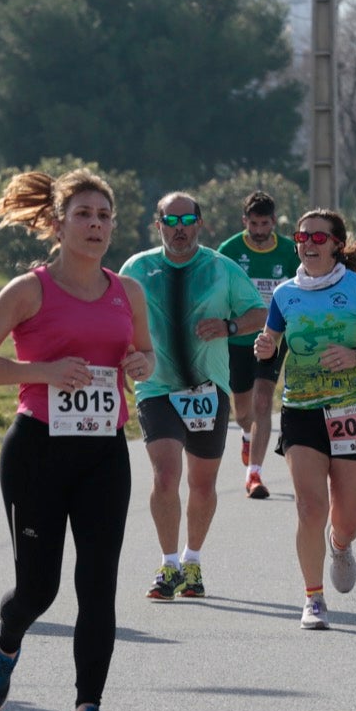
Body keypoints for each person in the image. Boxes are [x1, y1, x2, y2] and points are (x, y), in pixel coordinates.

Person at [0, 168, 155, 711]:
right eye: (84, 215)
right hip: (38, 450)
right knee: (37, 589)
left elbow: (142, 353)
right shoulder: (29, 290)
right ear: (58, 223)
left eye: (104, 216)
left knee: (98, 586)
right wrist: (43, 372)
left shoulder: (128, 291)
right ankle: (6, 637)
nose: (96, 226)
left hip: (104, 452)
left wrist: (143, 366)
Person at [255, 210, 356, 631]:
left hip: (352, 410)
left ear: (337, 243)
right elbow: (270, 344)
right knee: (309, 507)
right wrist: (264, 348)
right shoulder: (284, 294)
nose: (309, 242)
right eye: (302, 235)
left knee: (348, 518)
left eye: (319, 236)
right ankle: (313, 597)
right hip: (301, 410)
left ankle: (340, 545)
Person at [118, 192, 266, 601]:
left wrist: (230, 327)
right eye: (171, 220)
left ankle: (193, 562)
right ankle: (168, 565)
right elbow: (115, 316)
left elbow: (261, 313)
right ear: (158, 225)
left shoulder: (221, 268)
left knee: (202, 483)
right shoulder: (137, 268)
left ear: (200, 224)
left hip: (208, 388)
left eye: (188, 219)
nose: (179, 227)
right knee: (166, 475)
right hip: (157, 386)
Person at [218, 190, 300, 499]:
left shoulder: (290, 252)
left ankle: (254, 475)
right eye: (254, 224)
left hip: (273, 336)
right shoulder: (229, 249)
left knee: (264, 401)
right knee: (243, 412)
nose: (260, 230)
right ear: (245, 221)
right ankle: (246, 434)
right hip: (238, 337)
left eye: (265, 224)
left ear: (273, 222)